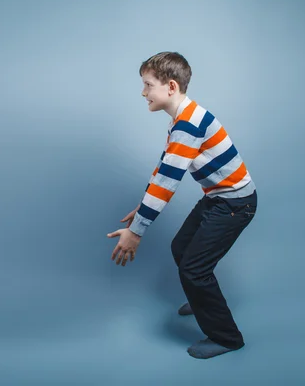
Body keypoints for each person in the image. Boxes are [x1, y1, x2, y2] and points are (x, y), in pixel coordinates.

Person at [107, 51, 257, 359]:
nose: (143, 92)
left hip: (234, 203)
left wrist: (136, 232)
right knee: (181, 249)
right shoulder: (183, 118)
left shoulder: (188, 124)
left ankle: (227, 337)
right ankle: (203, 297)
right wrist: (141, 207)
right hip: (219, 198)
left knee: (193, 269)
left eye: (148, 85)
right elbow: (163, 169)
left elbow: (166, 184)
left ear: (171, 87)